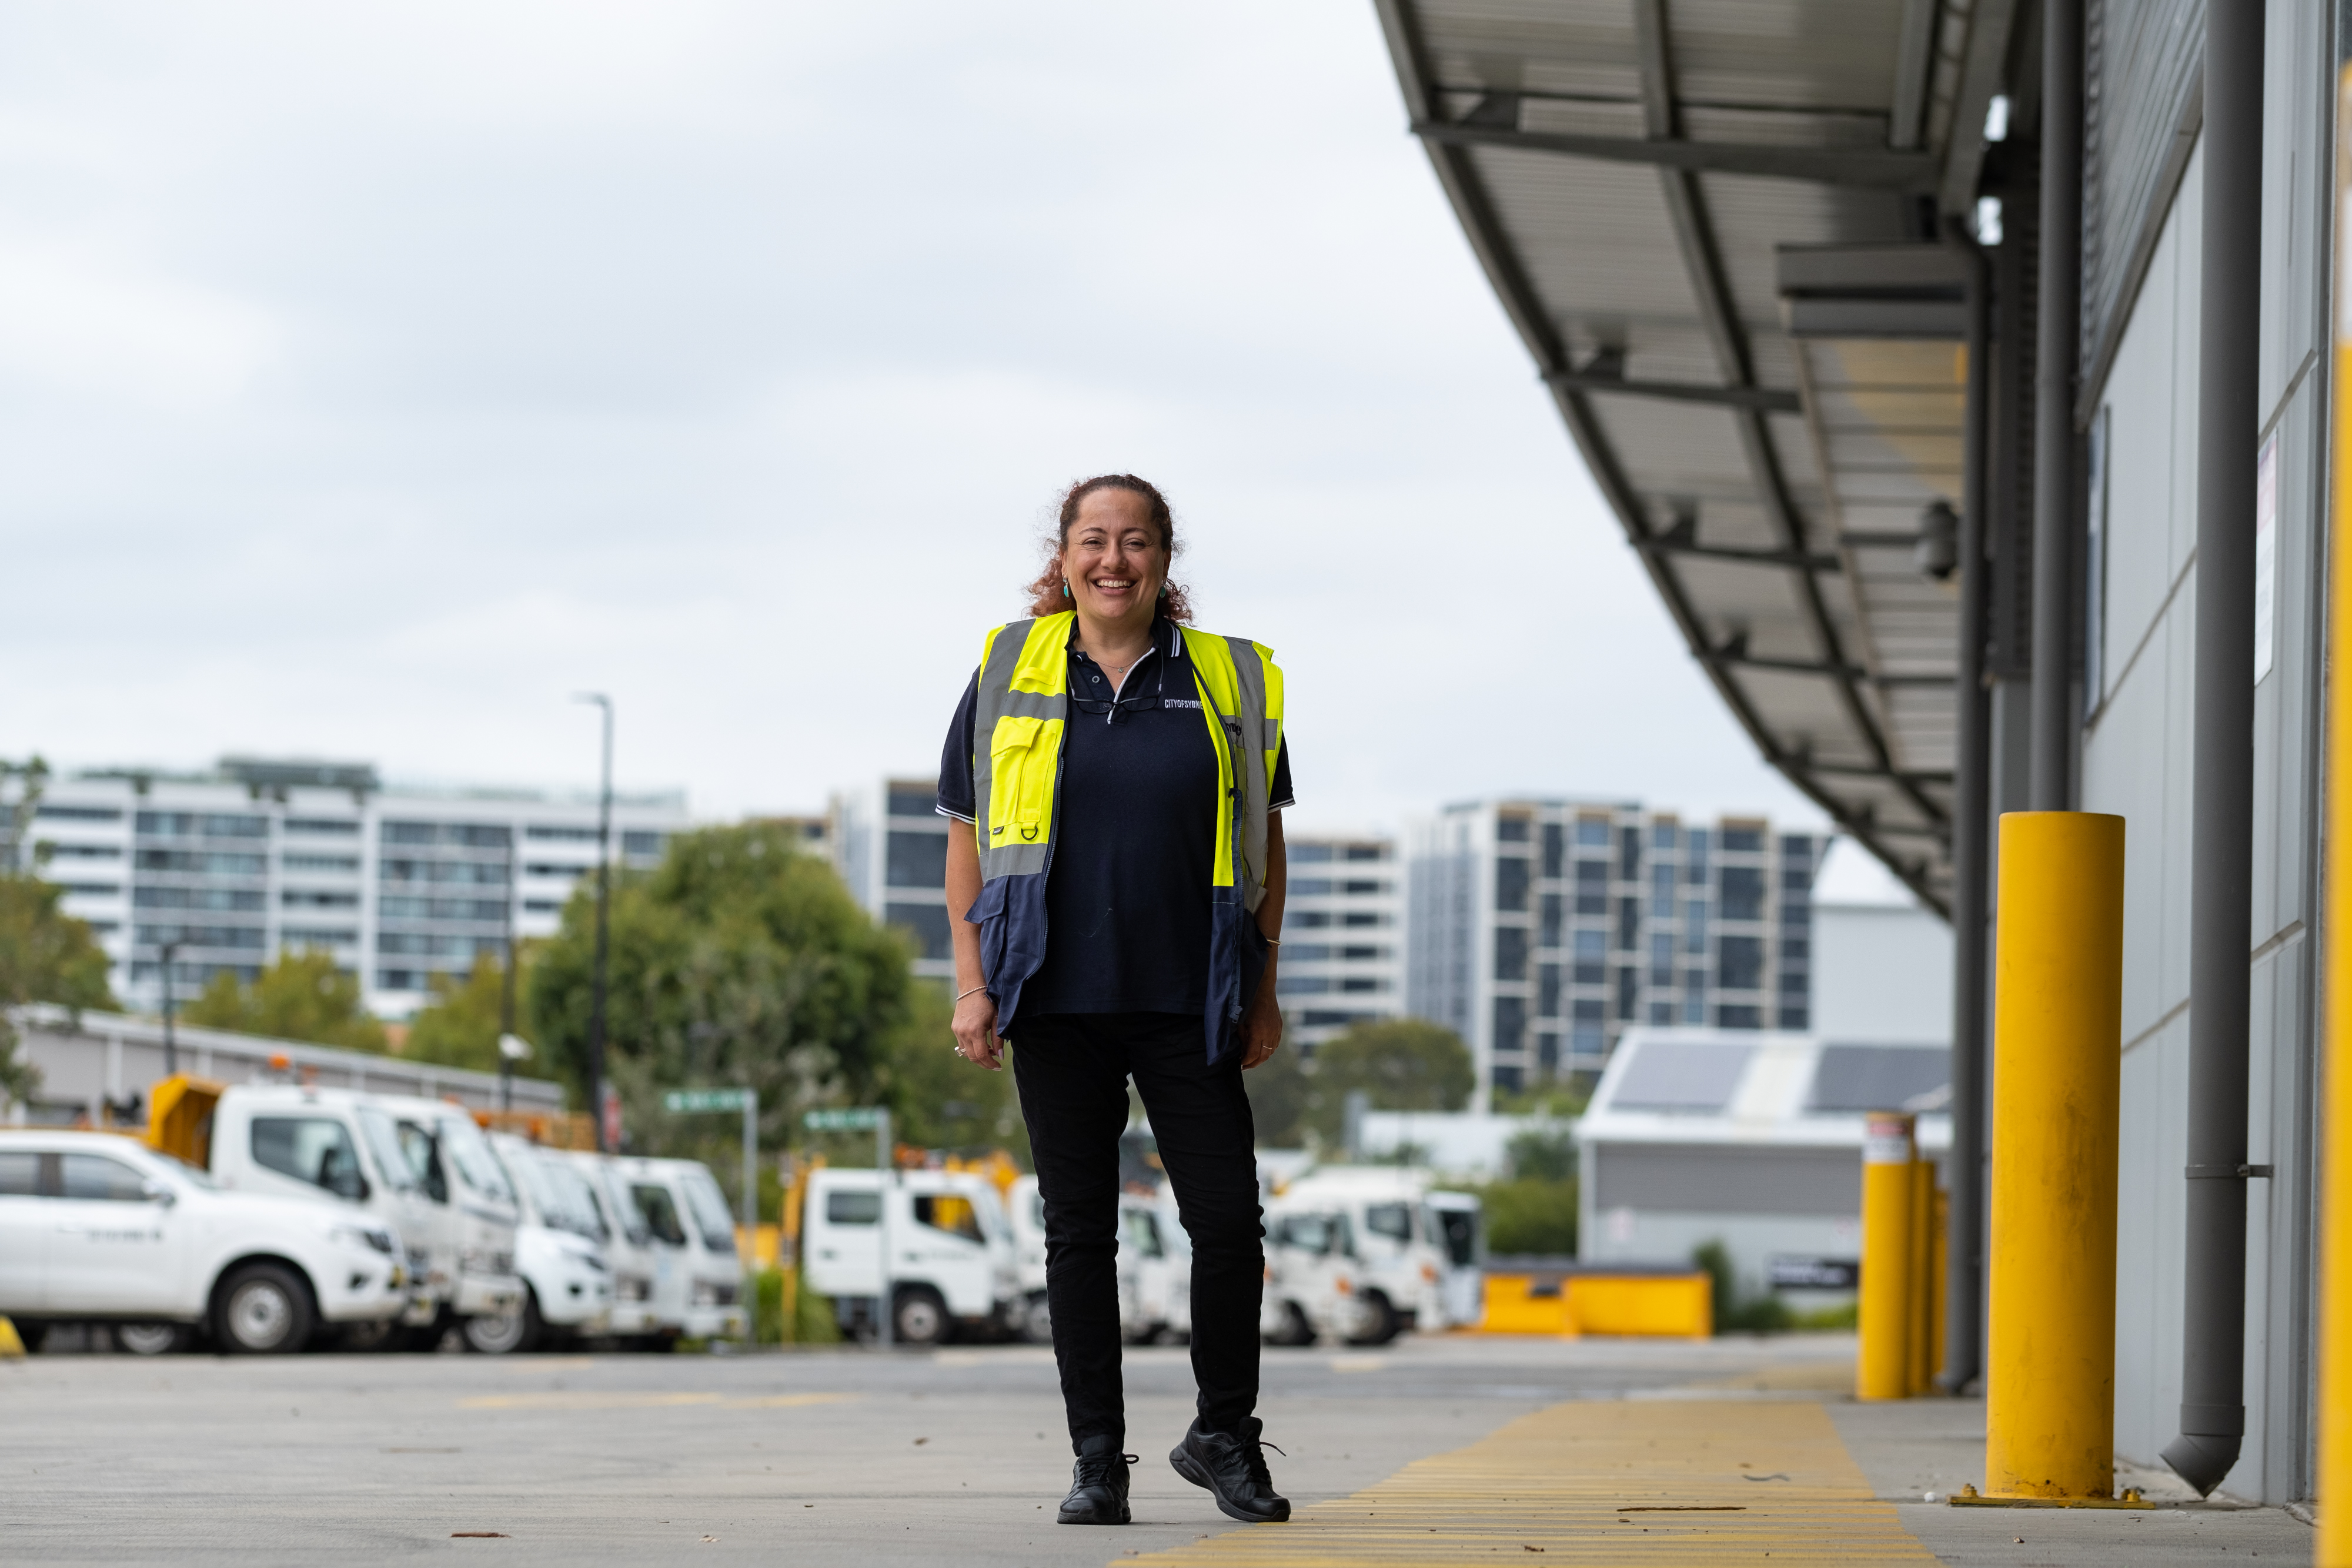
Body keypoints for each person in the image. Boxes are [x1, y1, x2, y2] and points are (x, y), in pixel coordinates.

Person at [938, 473, 1293, 1527]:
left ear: (1165, 561)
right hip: (1052, 994)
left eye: (1135, 542)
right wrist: (971, 983)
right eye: (1093, 540)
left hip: (1193, 997)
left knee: (1228, 1224)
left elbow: (1269, 846)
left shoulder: (1231, 679)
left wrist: (1265, 990)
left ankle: (1223, 1433)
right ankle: (1099, 1459)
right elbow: (964, 836)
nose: (1113, 560)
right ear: (1063, 557)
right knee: (1078, 1234)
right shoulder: (1009, 668)